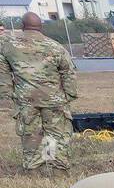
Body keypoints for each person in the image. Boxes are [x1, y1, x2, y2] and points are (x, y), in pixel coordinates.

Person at [0, 12, 77, 171]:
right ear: (41, 27)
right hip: (53, 99)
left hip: (25, 100)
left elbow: (4, 75)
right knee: (54, 134)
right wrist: (69, 95)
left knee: (31, 135)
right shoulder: (55, 46)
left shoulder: (8, 47)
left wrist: (7, 98)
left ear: (22, 26)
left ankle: (34, 168)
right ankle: (54, 165)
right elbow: (68, 72)